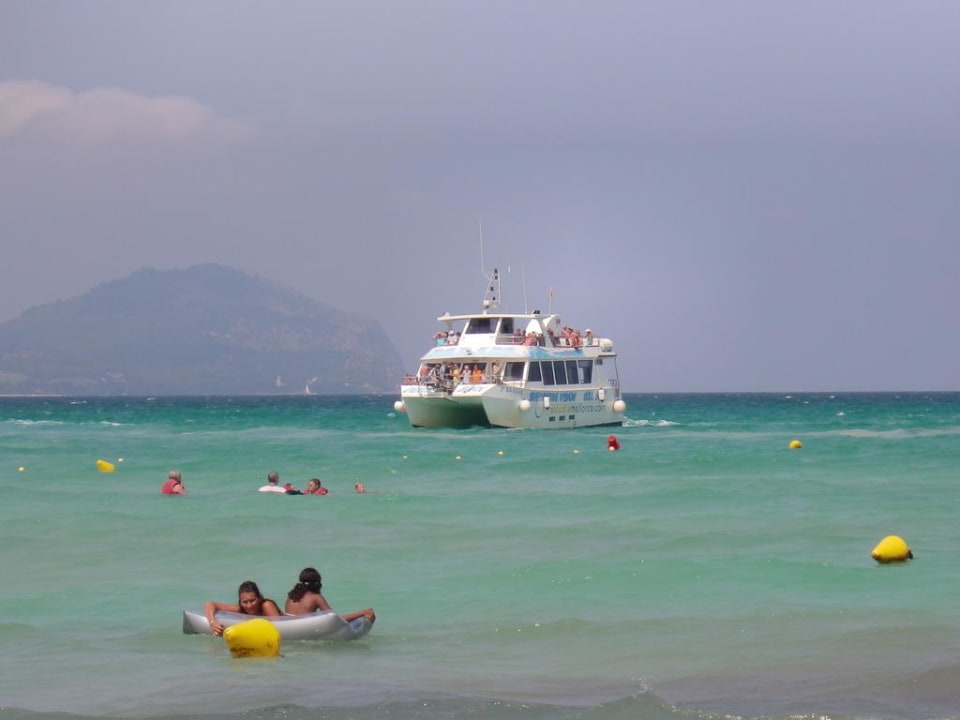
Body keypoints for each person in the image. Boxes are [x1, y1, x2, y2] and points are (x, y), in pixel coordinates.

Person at [284, 567, 375, 624]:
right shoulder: (316, 598)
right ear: (317, 584)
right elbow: (334, 618)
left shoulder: (291, 595)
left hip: (289, 626)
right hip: (305, 628)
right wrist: (362, 613)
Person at [204, 580, 282, 637]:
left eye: (252, 600)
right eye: (245, 602)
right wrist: (212, 622)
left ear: (259, 598)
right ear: (240, 602)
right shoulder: (241, 609)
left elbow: (281, 628)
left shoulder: (266, 605)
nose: (249, 606)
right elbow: (210, 604)